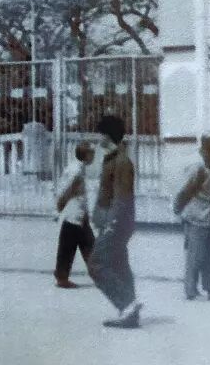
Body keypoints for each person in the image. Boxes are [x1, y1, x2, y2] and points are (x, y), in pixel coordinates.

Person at [87, 115, 142, 329]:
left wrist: (112, 223)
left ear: (107, 135)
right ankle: (130, 312)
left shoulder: (121, 162)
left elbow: (122, 198)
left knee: (96, 264)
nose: (97, 137)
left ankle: (127, 304)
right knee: (119, 264)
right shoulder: (113, 158)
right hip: (113, 222)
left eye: (100, 133)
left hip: (116, 223)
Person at [173, 131, 210, 301]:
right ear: (209, 146)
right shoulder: (198, 166)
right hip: (195, 217)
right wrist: (177, 209)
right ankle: (191, 290)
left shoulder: (209, 163)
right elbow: (185, 190)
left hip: (208, 216)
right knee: (195, 255)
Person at [53, 142, 95, 289]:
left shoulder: (75, 167)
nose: (93, 156)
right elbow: (68, 189)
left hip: (76, 214)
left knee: (80, 245)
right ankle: (62, 277)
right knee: (81, 245)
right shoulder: (77, 171)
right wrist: (60, 204)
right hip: (75, 214)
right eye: (92, 153)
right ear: (86, 155)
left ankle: (62, 276)